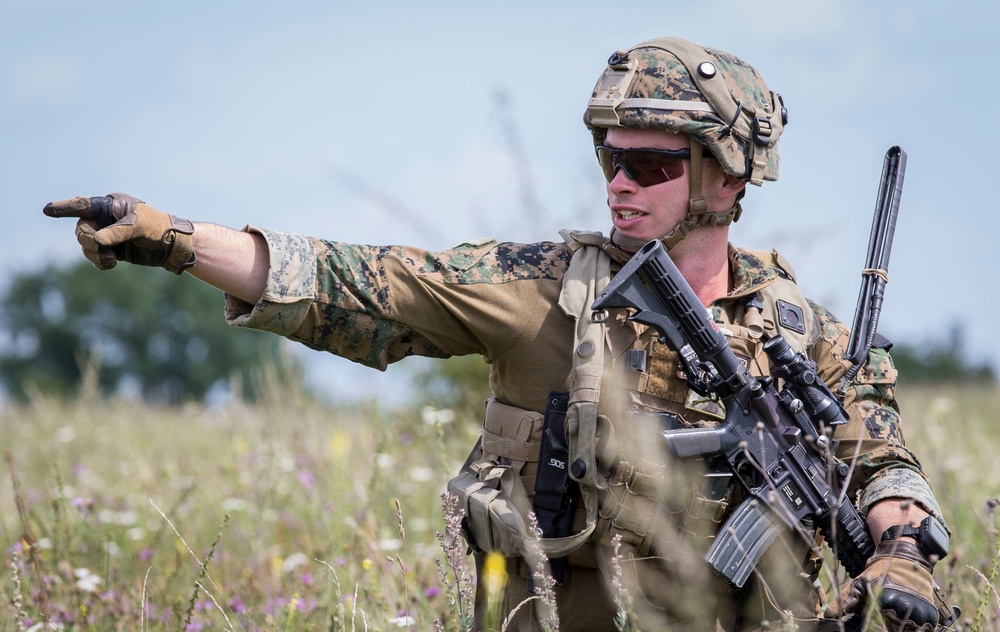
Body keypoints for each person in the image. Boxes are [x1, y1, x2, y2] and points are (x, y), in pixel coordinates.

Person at [44, 37, 955, 631]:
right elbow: (366, 285)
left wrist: (901, 550)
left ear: (726, 179)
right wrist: (170, 239)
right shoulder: (545, 291)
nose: (619, 183)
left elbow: (878, 454)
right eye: (610, 157)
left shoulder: (806, 336)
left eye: (649, 163)